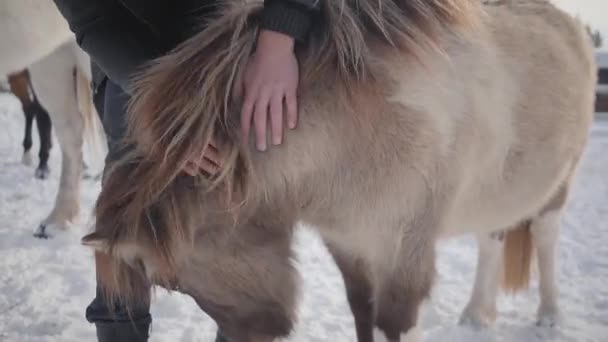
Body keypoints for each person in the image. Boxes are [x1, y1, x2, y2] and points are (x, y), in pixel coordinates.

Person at [50, 1, 321, 341]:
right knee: (126, 222)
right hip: (136, 52)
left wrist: (279, 37)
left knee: (251, 230)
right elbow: (91, 13)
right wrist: (162, 104)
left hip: (248, 36)